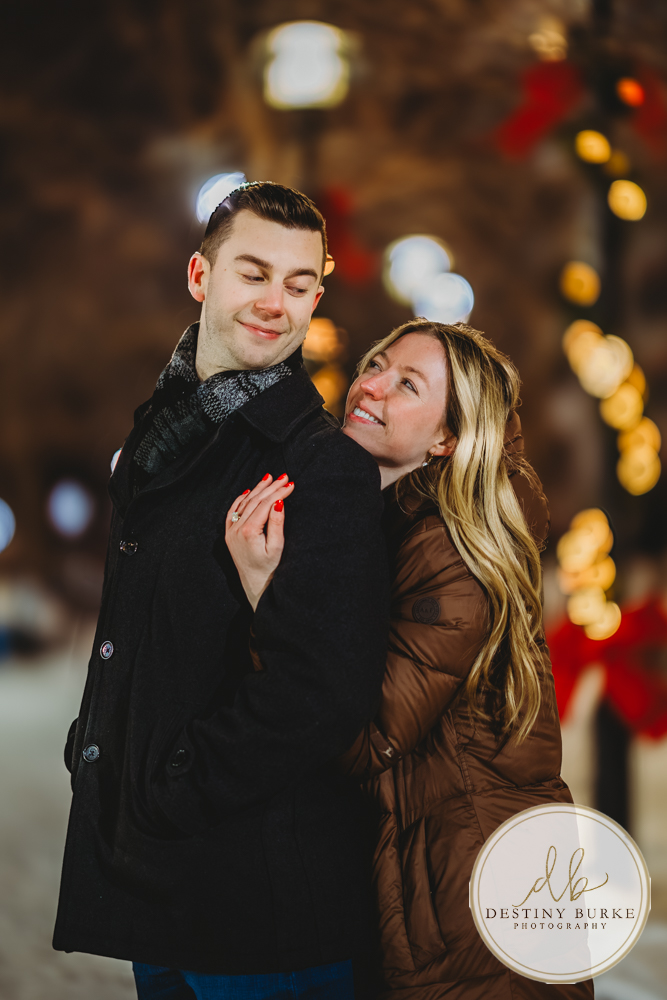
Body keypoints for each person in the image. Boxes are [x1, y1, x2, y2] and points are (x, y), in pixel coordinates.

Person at [53, 182, 391, 1000]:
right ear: (201, 277)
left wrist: (173, 785)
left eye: (299, 283)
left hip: (264, 906)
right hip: (164, 893)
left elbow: (321, 693)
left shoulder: (321, 465)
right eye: (254, 273)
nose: (276, 303)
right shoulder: (161, 435)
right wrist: (97, 743)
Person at [226, 320, 594, 999]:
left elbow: (362, 738)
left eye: (407, 384)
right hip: (439, 881)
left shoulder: (447, 550)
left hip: (473, 908)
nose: (371, 386)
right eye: (376, 365)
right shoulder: (382, 525)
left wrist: (263, 596)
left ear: (445, 439)